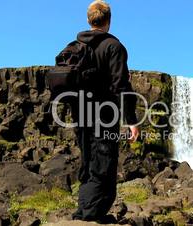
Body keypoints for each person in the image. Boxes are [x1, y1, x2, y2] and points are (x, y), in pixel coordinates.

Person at [70, 0, 139, 222]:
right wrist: (132, 120)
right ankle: (91, 215)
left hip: (80, 115)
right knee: (104, 163)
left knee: (88, 162)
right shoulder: (114, 47)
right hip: (104, 115)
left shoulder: (74, 46)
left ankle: (84, 210)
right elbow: (121, 86)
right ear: (108, 21)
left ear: (89, 20)